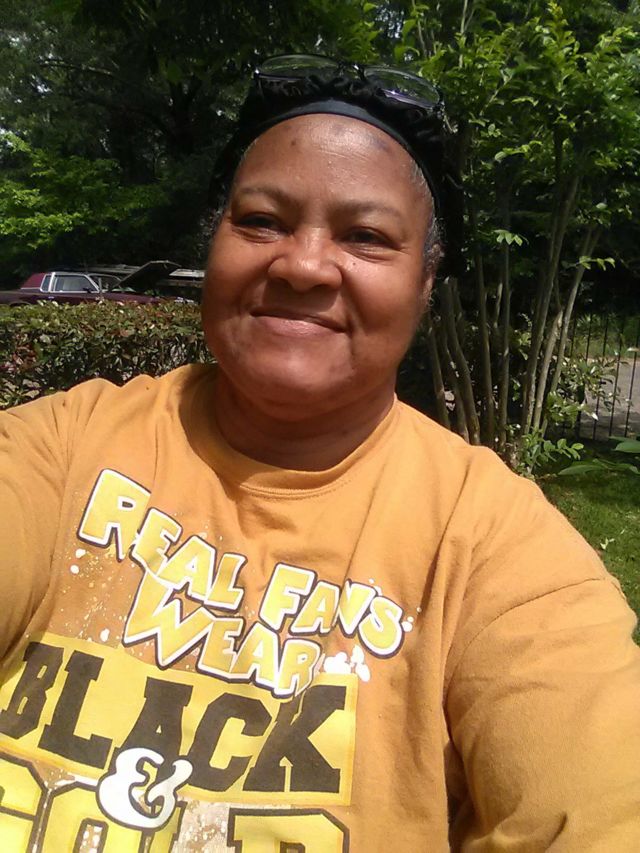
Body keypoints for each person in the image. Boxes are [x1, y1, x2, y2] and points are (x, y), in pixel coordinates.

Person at [0, 55, 639, 852]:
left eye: (365, 237)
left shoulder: (495, 549)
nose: (301, 265)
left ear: (425, 282)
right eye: (261, 221)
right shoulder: (66, 445)